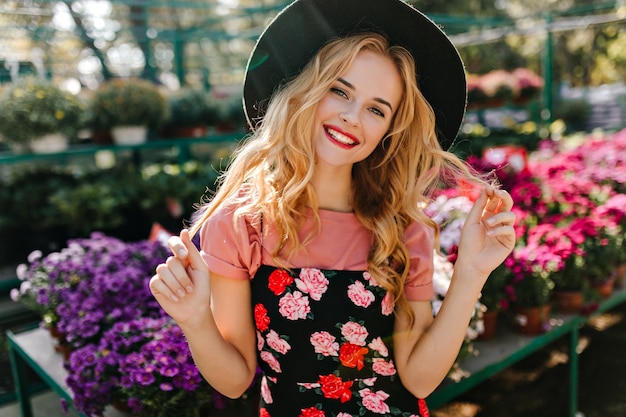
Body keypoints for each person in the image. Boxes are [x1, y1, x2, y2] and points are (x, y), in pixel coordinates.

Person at [149, 0, 516, 415]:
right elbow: (234, 382)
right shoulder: (241, 223)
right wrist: (196, 320)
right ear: (305, 90)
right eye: (339, 90)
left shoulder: (402, 229)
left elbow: (419, 379)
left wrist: (471, 273)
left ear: (389, 131)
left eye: (377, 109)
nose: (352, 116)